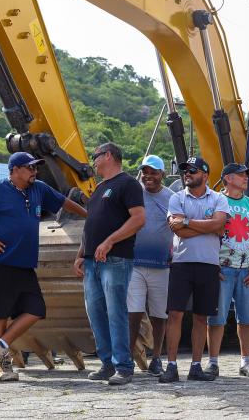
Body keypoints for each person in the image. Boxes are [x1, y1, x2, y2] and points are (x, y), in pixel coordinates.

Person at [0, 152, 87, 382]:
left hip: (25, 266)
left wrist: (90, 217)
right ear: (15, 170)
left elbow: (64, 202)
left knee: (36, 310)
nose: (34, 172)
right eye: (30, 168)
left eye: (35, 168)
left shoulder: (38, 188)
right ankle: (0, 366)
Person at [73, 143, 146, 385]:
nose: (93, 161)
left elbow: (138, 219)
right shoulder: (98, 190)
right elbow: (90, 226)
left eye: (95, 156)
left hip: (115, 259)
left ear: (108, 156)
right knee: (95, 312)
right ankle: (106, 363)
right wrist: (81, 254)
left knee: (116, 312)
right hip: (92, 262)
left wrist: (109, 241)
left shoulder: (128, 184)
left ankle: (123, 366)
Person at [159, 156, 230, 383]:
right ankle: (171, 366)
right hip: (181, 263)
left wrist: (188, 222)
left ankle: (196, 366)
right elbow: (177, 230)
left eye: (193, 170)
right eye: (185, 170)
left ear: (205, 175)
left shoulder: (219, 198)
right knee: (175, 314)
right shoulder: (176, 198)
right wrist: (207, 226)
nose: (187, 173)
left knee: (201, 317)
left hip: (208, 264)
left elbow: (219, 224)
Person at [205, 163, 249, 378]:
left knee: (247, 318)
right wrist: (212, 265)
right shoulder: (215, 201)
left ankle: (246, 362)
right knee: (216, 317)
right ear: (228, 179)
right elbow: (207, 234)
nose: (245, 178)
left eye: (246, 175)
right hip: (222, 269)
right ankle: (212, 362)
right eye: (241, 175)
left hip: (246, 271)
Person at [128, 155, 174, 376]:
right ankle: (126, 357)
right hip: (135, 263)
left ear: (162, 174)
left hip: (161, 264)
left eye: (153, 172)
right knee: (133, 312)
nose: (148, 176)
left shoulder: (172, 197)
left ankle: (157, 357)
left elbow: (179, 227)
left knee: (159, 315)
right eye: (145, 172)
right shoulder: (133, 194)